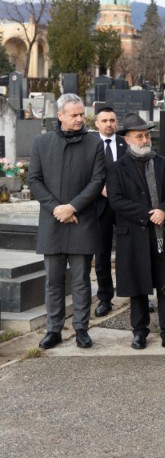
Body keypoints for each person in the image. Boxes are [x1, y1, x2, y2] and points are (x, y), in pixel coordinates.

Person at [106, 113, 165, 351]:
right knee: (138, 285)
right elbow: (116, 200)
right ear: (127, 140)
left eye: (146, 135)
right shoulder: (117, 168)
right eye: (139, 136)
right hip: (135, 234)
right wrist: (148, 213)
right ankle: (139, 332)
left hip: (164, 233)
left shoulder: (163, 162)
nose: (144, 140)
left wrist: (164, 210)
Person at [28, 93, 105, 349]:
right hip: (52, 222)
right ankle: (54, 329)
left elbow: (97, 181)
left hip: (81, 221)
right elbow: (34, 181)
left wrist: (72, 207)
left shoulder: (94, 144)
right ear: (60, 115)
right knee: (53, 280)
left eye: (82, 114)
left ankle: (81, 328)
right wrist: (56, 209)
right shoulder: (41, 143)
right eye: (74, 115)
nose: (79, 119)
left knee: (81, 279)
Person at [92, 106, 127, 318]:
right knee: (102, 253)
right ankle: (105, 298)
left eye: (112, 120)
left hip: (124, 206)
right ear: (96, 123)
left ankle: (136, 293)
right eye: (104, 120)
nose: (108, 124)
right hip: (100, 205)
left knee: (130, 250)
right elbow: (84, 173)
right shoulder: (90, 145)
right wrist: (99, 188)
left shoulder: (125, 143)